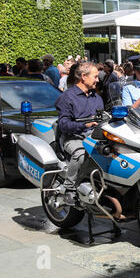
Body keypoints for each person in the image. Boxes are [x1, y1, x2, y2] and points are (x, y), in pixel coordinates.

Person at [55, 62, 104, 205]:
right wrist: (84, 125)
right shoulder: (67, 97)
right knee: (81, 153)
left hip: (94, 136)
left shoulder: (97, 97)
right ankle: (69, 188)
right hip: (73, 137)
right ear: (83, 76)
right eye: (95, 77)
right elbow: (63, 124)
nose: (98, 80)